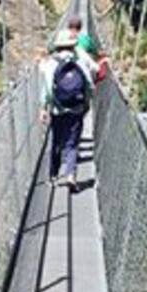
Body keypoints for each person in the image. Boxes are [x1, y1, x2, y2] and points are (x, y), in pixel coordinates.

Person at [40, 29, 97, 188]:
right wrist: (86, 103)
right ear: (72, 47)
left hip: (57, 109)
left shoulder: (51, 64)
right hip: (76, 108)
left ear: (58, 47)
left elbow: (46, 89)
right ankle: (71, 175)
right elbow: (89, 85)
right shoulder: (79, 62)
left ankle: (53, 177)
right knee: (72, 143)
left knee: (57, 142)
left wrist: (44, 108)